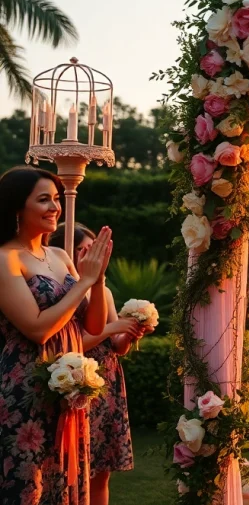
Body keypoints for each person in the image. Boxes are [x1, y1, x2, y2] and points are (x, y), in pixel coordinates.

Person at [0, 166, 112, 505]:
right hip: (25, 391)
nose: (55, 208)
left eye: (56, 199)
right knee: (29, 485)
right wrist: (83, 282)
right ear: (17, 207)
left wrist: (99, 278)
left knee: (65, 479)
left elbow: (92, 328)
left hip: (68, 391)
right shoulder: (5, 259)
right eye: (44, 200)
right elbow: (37, 328)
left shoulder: (60, 256)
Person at [50, 223, 148, 505]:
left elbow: (116, 347)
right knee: (77, 468)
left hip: (108, 384)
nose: (90, 256)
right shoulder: (64, 291)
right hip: (76, 382)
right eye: (83, 250)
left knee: (102, 472)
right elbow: (71, 341)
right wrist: (110, 328)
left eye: (95, 250)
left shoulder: (103, 291)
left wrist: (130, 332)